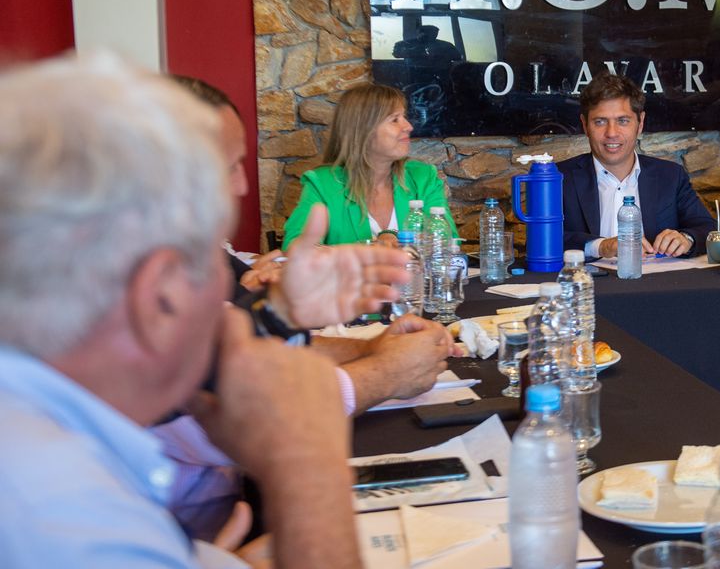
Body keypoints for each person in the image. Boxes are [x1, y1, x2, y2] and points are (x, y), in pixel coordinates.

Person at [0, 52, 361, 568]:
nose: (229, 299)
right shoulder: (75, 526)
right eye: (214, 261)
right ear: (161, 294)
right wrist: (308, 469)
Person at [163, 76, 456, 539]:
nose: (242, 185)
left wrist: (370, 346)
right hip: (198, 527)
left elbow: (243, 348)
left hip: (227, 505)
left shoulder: (198, 258)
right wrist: (384, 374)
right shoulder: (133, 283)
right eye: (228, 165)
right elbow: (250, 418)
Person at [283, 82, 458, 248]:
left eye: (404, 117)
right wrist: (371, 247)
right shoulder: (322, 184)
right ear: (363, 129)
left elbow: (449, 243)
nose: (409, 126)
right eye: (395, 119)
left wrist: (391, 236)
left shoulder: (423, 177)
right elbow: (296, 249)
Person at [560, 73, 716, 258]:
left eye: (623, 121)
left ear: (640, 123)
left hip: (658, 276)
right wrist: (601, 246)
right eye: (600, 122)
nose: (612, 133)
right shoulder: (558, 178)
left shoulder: (670, 176)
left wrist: (686, 239)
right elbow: (539, 239)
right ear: (585, 125)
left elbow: (707, 228)